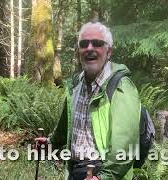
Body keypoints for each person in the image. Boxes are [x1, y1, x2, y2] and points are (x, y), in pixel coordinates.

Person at [36, 21, 141, 180]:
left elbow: (126, 144)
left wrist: (103, 177)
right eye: (84, 44)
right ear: (79, 50)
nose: (89, 48)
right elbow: (68, 122)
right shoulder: (76, 84)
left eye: (97, 43)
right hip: (74, 169)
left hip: (102, 172)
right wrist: (51, 142)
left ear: (109, 51)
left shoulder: (121, 86)